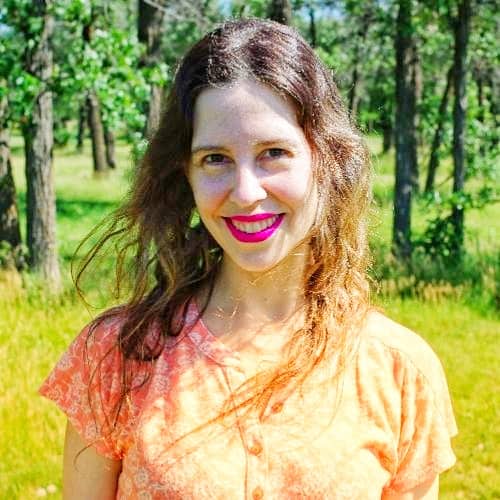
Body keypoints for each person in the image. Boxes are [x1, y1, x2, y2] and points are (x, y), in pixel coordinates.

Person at [39, 18, 457, 499]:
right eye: (215, 158)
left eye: (273, 152)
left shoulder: (399, 370)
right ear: (186, 174)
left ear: (327, 161)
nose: (245, 192)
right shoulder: (118, 354)